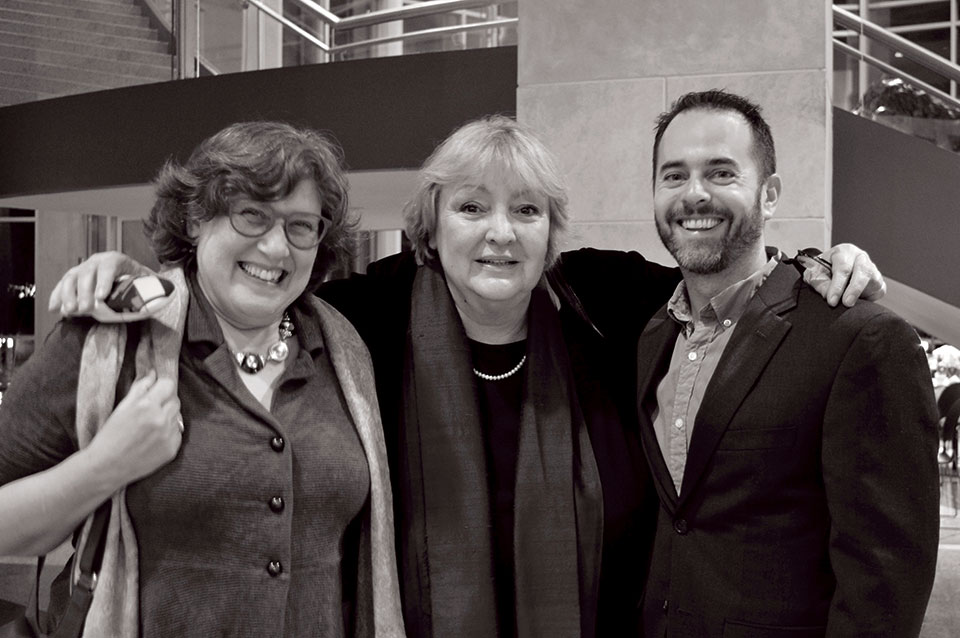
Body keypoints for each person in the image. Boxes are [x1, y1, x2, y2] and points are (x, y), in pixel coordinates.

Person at [46, 116, 885, 637]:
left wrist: (818, 262)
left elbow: (724, 280)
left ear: (551, 233)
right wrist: (130, 276)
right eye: (471, 206)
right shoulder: (366, 316)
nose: (499, 234)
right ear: (430, 225)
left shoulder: (605, 301)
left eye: (525, 210)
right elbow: (257, 282)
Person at [0, 122, 405, 637]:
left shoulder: (344, 350)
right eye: (251, 214)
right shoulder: (111, 338)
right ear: (196, 220)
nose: (277, 249)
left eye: (300, 225)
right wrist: (105, 466)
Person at [627, 89, 938, 636]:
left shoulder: (861, 341)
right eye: (673, 176)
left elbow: (884, 580)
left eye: (721, 173)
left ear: (769, 195)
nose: (693, 195)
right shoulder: (653, 334)